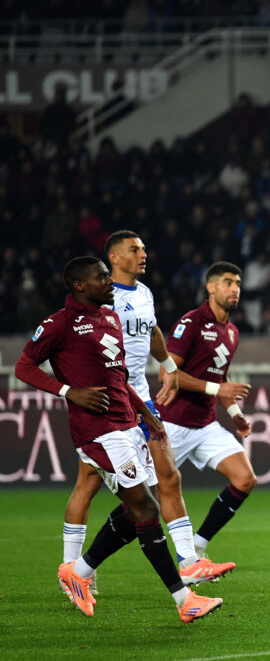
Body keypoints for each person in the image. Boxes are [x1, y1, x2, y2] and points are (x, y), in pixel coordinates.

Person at [14, 256, 222, 623]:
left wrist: (145, 415)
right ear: (79, 285)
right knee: (146, 509)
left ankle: (77, 572)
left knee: (139, 507)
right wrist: (67, 391)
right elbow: (24, 367)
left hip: (128, 424)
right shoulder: (58, 324)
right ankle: (184, 599)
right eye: (101, 277)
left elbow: (119, 377)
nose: (109, 281)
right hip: (98, 432)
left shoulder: (110, 318)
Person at [62, 231, 236, 592]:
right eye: (134, 249)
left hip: (141, 399)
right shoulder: (101, 300)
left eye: (143, 247)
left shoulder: (143, 293)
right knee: (88, 485)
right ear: (114, 258)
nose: (143, 253)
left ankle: (189, 562)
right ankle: (73, 571)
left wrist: (168, 366)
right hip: (111, 404)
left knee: (168, 479)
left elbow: (153, 330)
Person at [158, 261, 256, 561]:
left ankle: (198, 547)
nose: (235, 289)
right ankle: (87, 566)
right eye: (228, 282)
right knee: (141, 502)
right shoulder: (191, 323)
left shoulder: (232, 332)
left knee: (245, 478)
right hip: (172, 424)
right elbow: (167, 374)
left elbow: (220, 378)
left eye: (238, 283)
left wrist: (235, 413)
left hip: (205, 425)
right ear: (210, 287)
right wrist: (218, 391)